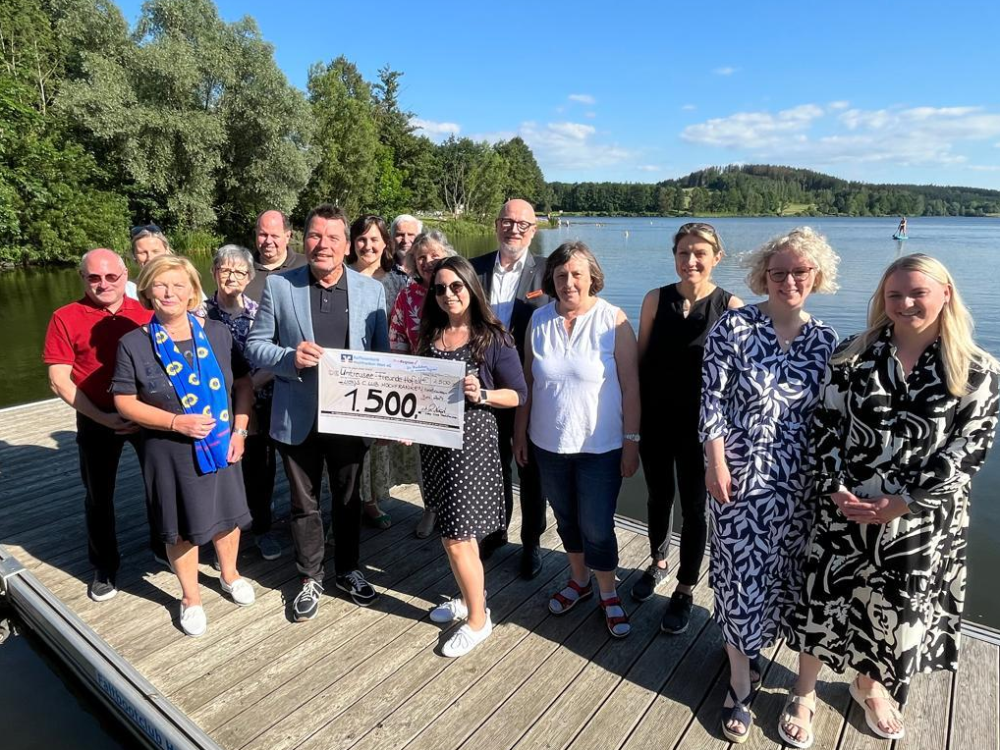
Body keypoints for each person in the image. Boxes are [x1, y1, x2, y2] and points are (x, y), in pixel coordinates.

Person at [780, 254, 999, 748]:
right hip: (846, 507)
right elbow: (825, 425)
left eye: (918, 293)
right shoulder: (853, 354)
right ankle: (804, 690)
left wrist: (906, 501)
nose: (905, 304)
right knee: (825, 598)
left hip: (918, 521)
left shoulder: (978, 369)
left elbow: (968, 450)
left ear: (946, 294)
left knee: (891, 609)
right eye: (894, 294)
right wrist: (834, 487)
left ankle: (869, 686)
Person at [700, 227, 840, 743]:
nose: (789, 281)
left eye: (800, 271)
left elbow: (834, 421)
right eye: (778, 272)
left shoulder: (826, 341)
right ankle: (740, 681)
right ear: (763, 276)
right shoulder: (734, 326)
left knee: (789, 581)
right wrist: (715, 463)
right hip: (738, 484)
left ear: (816, 275)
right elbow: (711, 402)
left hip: (800, 491)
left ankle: (773, 662)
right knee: (739, 580)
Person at [245, 203, 389, 622]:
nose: (322, 244)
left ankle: (348, 570)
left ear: (347, 246)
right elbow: (256, 346)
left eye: (332, 238)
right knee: (303, 504)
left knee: (347, 499)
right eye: (315, 235)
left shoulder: (371, 291)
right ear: (303, 240)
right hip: (298, 414)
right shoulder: (280, 286)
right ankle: (310, 577)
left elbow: (381, 357)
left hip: (351, 415)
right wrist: (289, 357)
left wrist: (384, 418)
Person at [113, 255, 255, 637]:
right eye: (160, 284)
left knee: (228, 515)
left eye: (178, 285)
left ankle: (230, 574)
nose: (169, 292)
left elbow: (243, 384)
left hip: (223, 444)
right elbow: (124, 402)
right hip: (167, 450)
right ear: (147, 290)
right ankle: (191, 597)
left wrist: (240, 432)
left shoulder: (219, 334)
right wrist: (176, 422)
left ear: (193, 291)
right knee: (179, 527)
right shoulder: (133, 343)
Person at [514, 241, 641, 638]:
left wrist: (632, 441)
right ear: (551, 280)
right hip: (548, 445)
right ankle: (579, 580)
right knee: (567, 518)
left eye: (576, 274)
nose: (568, 282)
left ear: (592, 278)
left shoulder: (613, 320)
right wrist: (519, 433)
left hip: (600, 448)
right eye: (560, 275)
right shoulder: (539, 320)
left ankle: (608, 591)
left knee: (597, 525)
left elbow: (631, 386)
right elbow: (527, 381)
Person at [632, 223, 743, 636]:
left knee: (696, 509)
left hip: (702, 431)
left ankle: (685, 587)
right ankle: (658, 562)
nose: (691, 261)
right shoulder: (654, 299)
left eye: (700, 253)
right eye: (683, 253)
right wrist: (632, 425)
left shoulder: (730, 306)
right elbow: (640, 362)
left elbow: (737, 379)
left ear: (717, 257)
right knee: (658, 497)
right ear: (674, 256)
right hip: (656, 422)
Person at [418, 256, 527, 657]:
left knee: (457, 538)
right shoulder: (432, 333)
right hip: (436, 446)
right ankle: (468, 599)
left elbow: (518, 394)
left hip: (471, 449)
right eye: (440, 288)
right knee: (452, 534)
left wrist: (482, 394)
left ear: (470, 287)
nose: (448, 294)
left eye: (456, 286)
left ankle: (479, 621)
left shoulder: (493, 337)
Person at [43, 249, 162, 602]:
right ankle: (105, 566)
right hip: (95, 416)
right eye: (94, 277)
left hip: (146, 414)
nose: (103, 284)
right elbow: (59, 381)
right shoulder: (64, 317)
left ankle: (163, 545)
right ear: (83, 278)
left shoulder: (147, 312)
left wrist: (145, 413)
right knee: (98, 496)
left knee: (160, 485)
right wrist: (103, 416)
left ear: (125, 276)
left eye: (112, 276)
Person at [470, 199, 549, 579]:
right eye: (507, 221)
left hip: (530, 386)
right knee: (492, 464)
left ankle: (532, 541)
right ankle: (496, 529)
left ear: (533, 230)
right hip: (483, 387)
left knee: (530, 468)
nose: (513, 229)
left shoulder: (549, 273)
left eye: (522, 224)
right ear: (496, 224)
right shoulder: (474, 269)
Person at [205, 244, 281, 561]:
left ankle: (262, 529)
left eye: (239, 271)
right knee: (219, 472)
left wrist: (249, 386)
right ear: (214, 272)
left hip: (258, 404)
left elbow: (275, 358)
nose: (231, 277)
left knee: (260, 470)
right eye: (225, 269)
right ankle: (220, 534)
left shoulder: (260, 312)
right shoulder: (198, 314)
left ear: (250, 277)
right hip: (214, 407)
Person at [388, 229, 457, 538]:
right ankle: (431, 508)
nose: (428, 261)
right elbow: (397, 338)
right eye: (421, 257)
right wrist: (403, 380)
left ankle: (455, 510)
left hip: (456, 385)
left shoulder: (460, 288)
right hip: (420, 386)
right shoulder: (407, 295)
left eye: (435, 255)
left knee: (455, 454)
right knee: (426, 454)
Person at [348, 214, 402, 530]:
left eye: (374, 239)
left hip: (384, 374)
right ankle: (345, 504)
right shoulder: (340, 277)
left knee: (376, 444)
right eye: (361, 239)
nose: (368, 246)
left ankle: (370, 501)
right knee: (345, 444)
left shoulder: (397, 282)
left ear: (385, 243)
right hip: (347, 374)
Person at [243, 210, 307, 304]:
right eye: (263, 235)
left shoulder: (307, 267)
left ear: (287, 236)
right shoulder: (240, 268)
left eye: (274, 236)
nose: (268, 241)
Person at [382, 214, 423, 310]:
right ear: (392, 238)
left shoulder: (427, 270)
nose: (405, 240)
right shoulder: (382, 270)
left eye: (411, 235)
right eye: (400, 235)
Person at [125, 225, 171, 300]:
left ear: (167, 252)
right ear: (134, 256)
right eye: (142, 253)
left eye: (155, 251)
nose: (150, 258)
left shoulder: (183, 283)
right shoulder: (128, 291)